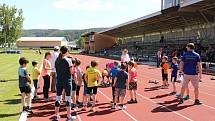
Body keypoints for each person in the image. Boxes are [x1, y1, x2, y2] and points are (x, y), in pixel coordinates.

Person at [54, 46, 76, 121]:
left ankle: (56, 115)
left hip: (59, 81)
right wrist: (73, 67)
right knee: (68, 99)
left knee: (58, 98)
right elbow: (71, 72)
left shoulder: (57, 60)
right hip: (67, 81)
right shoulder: (68, 60)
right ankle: (69, 116)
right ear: (66, 51)